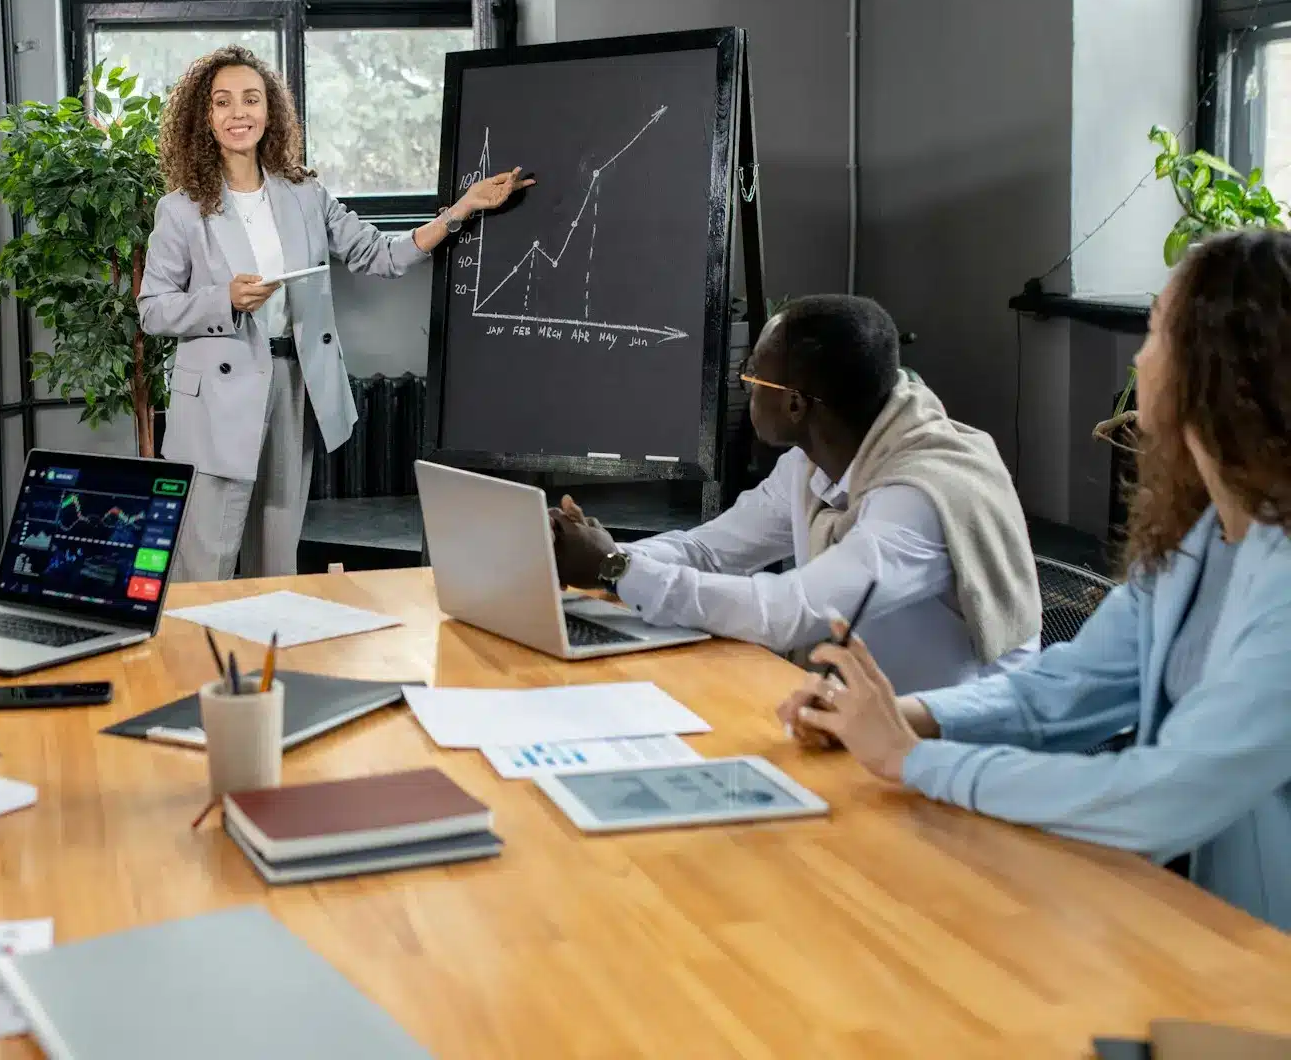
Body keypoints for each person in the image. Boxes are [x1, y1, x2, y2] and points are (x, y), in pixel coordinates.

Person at [779, 229, 1291, 931]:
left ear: (1220, 374)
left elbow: (1156, 798)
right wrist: (907, 720)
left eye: (1154, 333)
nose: (1139, 360)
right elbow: (1067, 687)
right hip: (1207, 936)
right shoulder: (1205, 537)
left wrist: (911, 761)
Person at [139, 43, 532, 581]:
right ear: (203, 118)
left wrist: (461, 210)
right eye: (223, 102)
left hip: (292, 383)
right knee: (203, 564)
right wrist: (223, 301)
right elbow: (153, 310)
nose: (239, 114)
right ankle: (190, 664)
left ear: (270, 112)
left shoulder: (304, 194)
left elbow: (379, 254)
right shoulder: (180, 209)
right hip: (217, 396)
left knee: (275, 561)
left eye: (251, 100)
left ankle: (263, 665)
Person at [551, 294, 1040, 692]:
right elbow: (708, 552)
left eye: (752, 373)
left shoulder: (920, 499)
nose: (743, 384)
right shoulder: (812, 466)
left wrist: (613, 569)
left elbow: (789, 612)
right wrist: (605, 554)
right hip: (859, 722)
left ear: (794, 405)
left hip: (952, 755)